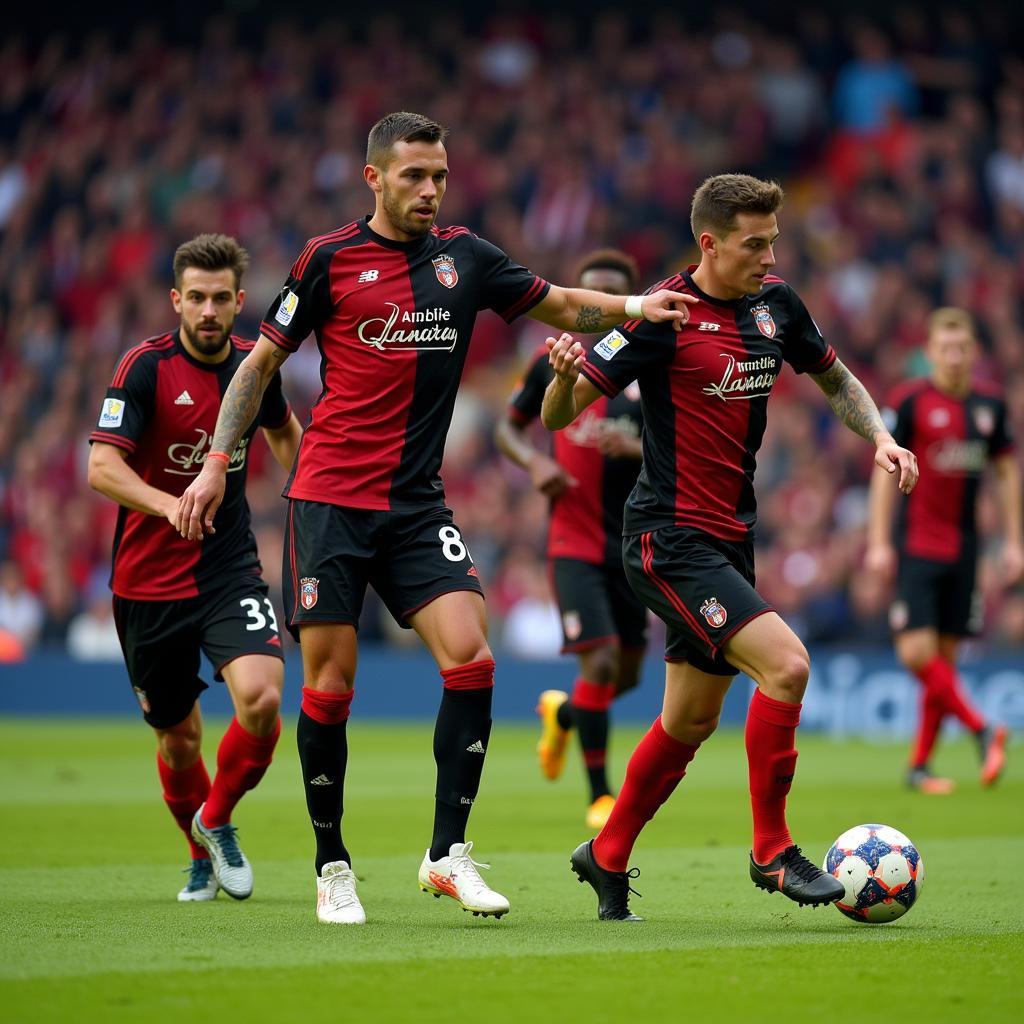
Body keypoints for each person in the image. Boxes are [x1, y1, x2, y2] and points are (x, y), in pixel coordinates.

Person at [173, 112, 693, 925]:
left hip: (416, 506)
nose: (429, 190)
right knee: (333, 687)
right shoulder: (328, 259)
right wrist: (213, 462)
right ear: (374, 178)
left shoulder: (468, 258)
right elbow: (261, 362)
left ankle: (446, 854)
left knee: (472, 659)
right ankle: (332, 864)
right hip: (330, 502)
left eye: (440, 176)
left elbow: (559, 303)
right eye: (414, 176)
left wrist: (637, 302)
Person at [541, 173, 919, 921]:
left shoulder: (776, 306)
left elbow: (836, 377)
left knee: (688, 719)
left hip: (728, 539)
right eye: (754, 244)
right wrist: (558, 381)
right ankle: (771, 851)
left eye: (774, 240)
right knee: (788, 665)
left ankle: (606, 854)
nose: (770, 257)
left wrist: (880, 434)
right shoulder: (660, 314)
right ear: (709, 243)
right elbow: (562, 413)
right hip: (666, 539)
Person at [88, 234, 302, 903]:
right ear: (177, 300)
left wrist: (325, 499)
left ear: (241, 301)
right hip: (147, 583)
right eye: (197, 298)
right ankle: (198, 854)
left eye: (221, 299)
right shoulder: (144, 368)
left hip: (227, 568)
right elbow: (101, 466)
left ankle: (218, 817)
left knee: (264, 698)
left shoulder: (254, 367)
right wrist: (168, 503)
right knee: (179, 742)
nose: (209, 311)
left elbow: (287, 437)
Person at [495, 248, 648, 830]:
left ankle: (563, 718)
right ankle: (599, 795)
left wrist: (636, 450)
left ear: (628, 301)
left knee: (625, 674)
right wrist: (534, 465)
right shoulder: (552, 361)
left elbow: (684, 443)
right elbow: (508, 431)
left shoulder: (650, 361)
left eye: (610, 294)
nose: (596, 308)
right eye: (588, 295)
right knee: (603, 663)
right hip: (574, 541)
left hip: (636, 542)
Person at [866, 307, 1021, 794]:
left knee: (943, 664)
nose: (954, 357)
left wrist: (1014, 540)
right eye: (945, 348)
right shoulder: (909, 401)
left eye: (962, 348)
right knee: (916, 652)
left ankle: (919, 767)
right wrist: (877, 542)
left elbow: (1006, 473)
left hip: (966, 551)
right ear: (929, 352)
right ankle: (981, 728)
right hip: (917, 546)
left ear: (974, 352)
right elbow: (883, 470)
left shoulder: (990, 407)